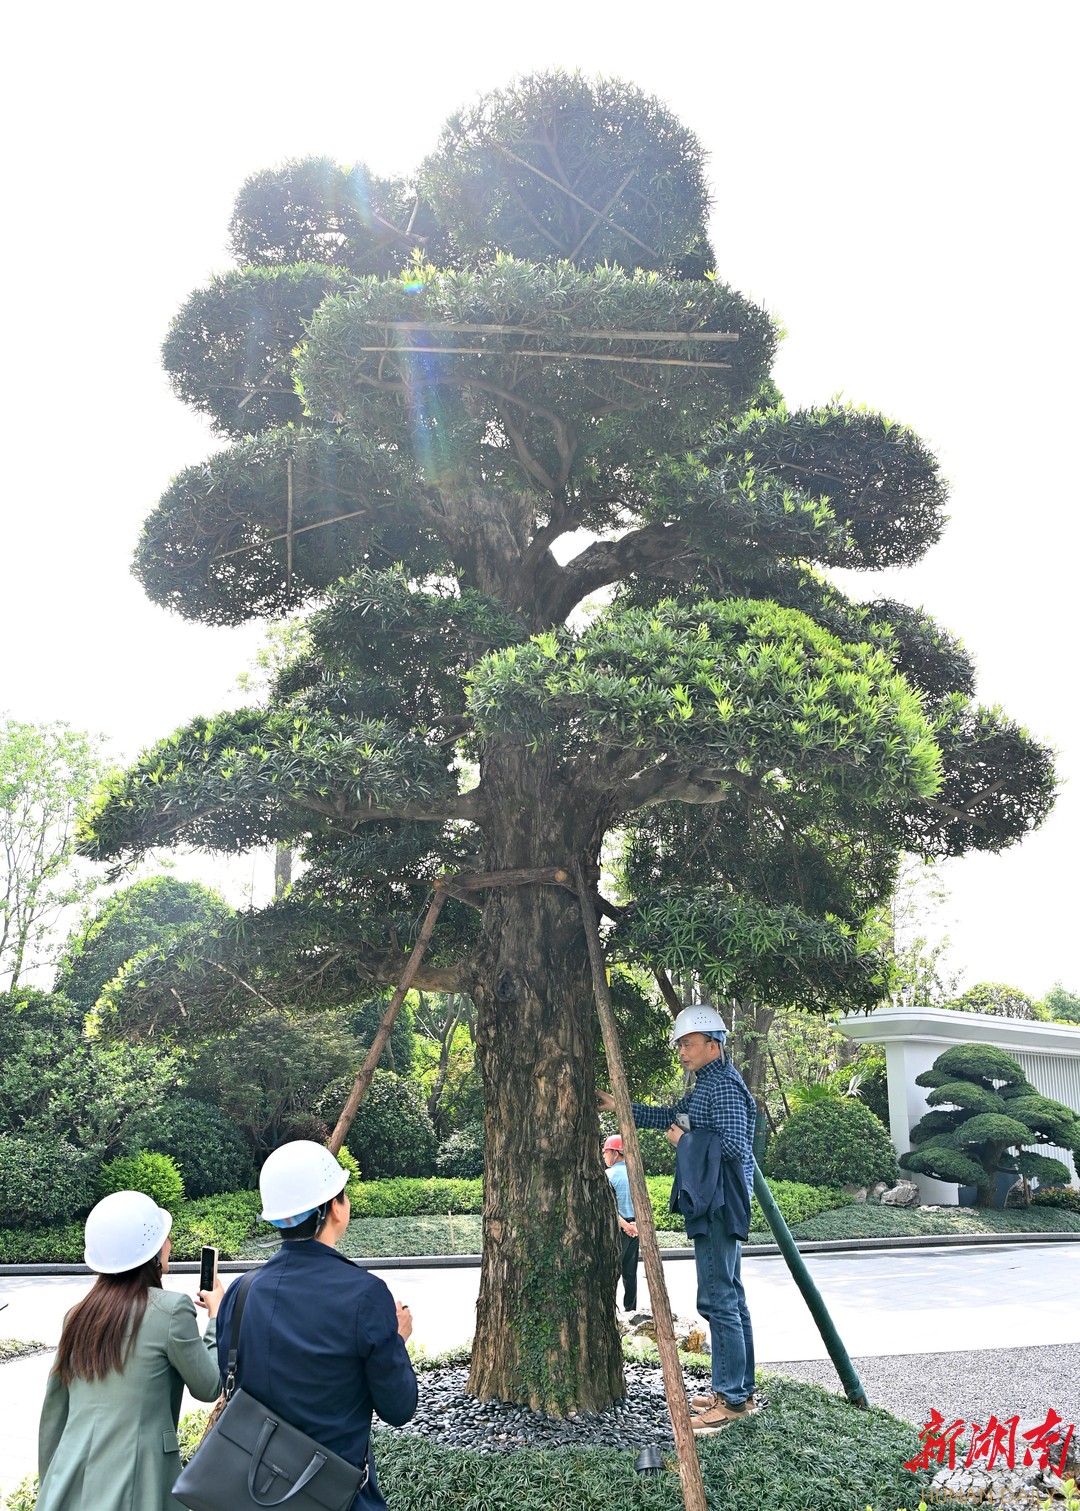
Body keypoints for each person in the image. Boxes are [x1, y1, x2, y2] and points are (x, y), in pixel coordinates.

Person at [214, 1140, 417, 1510]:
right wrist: (397, 1339)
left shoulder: (240, 1293)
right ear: (333, 1209)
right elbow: (399, 1407)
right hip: (334, 1496)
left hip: (254, 1491)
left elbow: (228, 1380)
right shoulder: (366, 1295)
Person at [598, 1004, 757, 1428]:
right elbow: (673, 1116)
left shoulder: (722, 1086)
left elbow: (735, 1148)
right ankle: (737, 1390)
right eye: (680, 1045)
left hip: (719, 1203)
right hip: (716, 1199)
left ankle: (733, 1402)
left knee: (719, 1299)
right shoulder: (708, 1084)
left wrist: (684, 1144)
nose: (682, 1051)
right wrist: (621, 1107)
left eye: (689, 1043)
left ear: (713, 1044)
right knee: (731, 1298)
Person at [37, 1189, 224, 1511]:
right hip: (140, 1480)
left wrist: (50, 1486)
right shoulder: (171, 1310)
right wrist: (216, 1317)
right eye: (165, 1238)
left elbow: (54, 1412)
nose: (170, 1246)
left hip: (70, 1478)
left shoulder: (78, 1315)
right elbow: (209, 1387)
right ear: (151, 1252)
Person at [601, 1134, 639, 1313]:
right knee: (630, 1274)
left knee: (611, 1273)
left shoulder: (608, 1176)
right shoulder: (636, 1174)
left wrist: (625, 1226)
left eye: (606, 1152)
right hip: (636, 1230)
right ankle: (631, 1310)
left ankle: (609, 1312)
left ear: (616, 1153)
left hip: (618, 1230)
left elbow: (607, 1208)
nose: (604, 1157)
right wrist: (634, 1226)